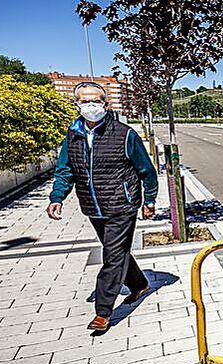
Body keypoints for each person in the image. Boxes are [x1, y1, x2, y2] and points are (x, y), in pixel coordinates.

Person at [46, 81, 159, 331]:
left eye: (96, 101)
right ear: (76, 104)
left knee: (111, 256)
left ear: (106, 104)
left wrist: (149, 200)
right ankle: (139, 284)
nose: (90, 106)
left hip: (122, 205)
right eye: (85, 101)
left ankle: (103, 312)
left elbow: (147, 171)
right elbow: (65, 170)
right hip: (93, 207)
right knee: (117, 251)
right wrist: (57, 197)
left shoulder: (124, 134)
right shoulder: (73, 135)